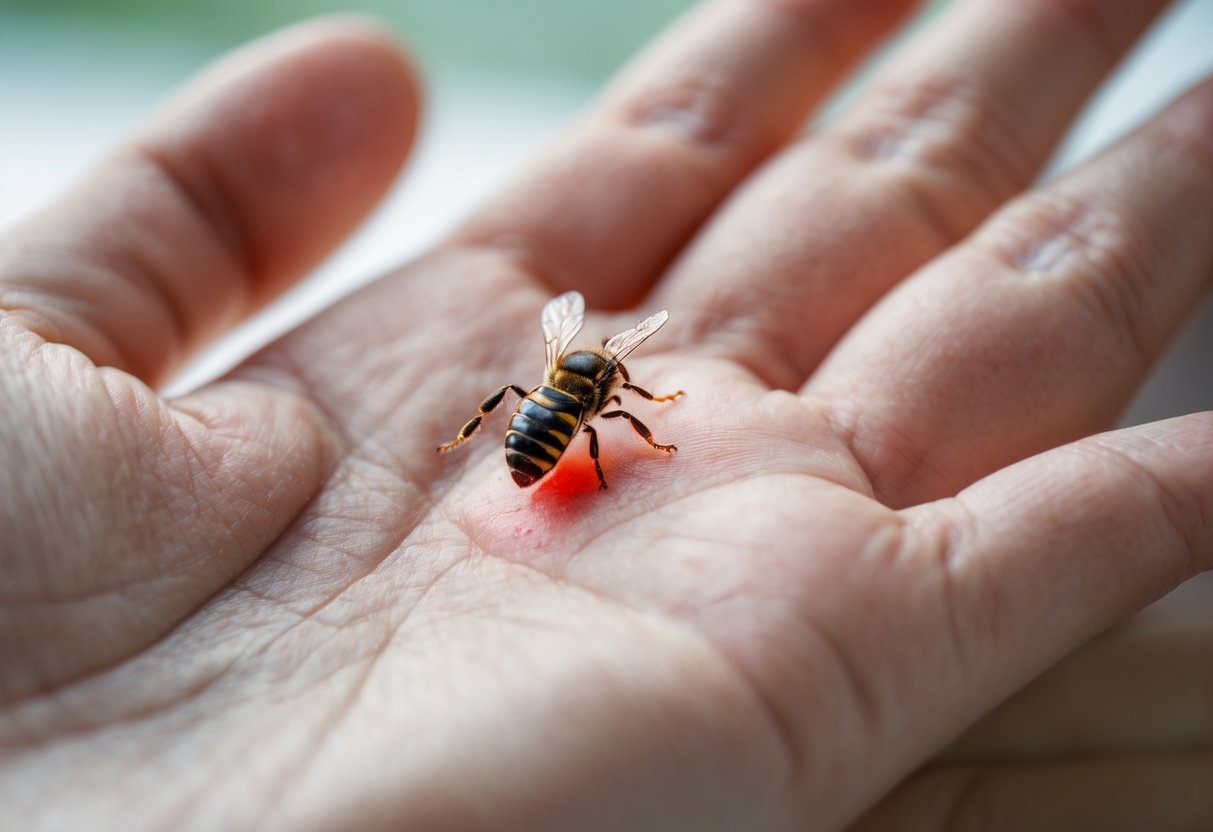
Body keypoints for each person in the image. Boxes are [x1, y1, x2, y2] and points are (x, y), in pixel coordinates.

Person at [2, 0, 1211, 828]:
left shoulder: (556, 378)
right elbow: (608, 410)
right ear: (582, 382)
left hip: (521, 454)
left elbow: (558, 399)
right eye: (592, 391)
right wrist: (650, 427)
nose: (586, 394)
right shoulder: (595, 392)